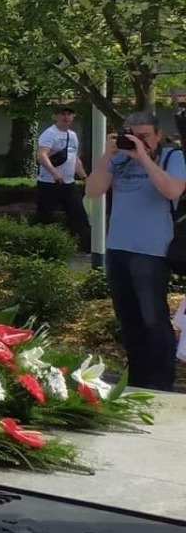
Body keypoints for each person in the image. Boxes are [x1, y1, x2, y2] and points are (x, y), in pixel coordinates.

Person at [84, 113, 185, 392]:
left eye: (145, 137)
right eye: (133, 136)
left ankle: (161, 381)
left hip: (151, 251)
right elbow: (93, 190)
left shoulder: (171, 156)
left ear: (157, 136)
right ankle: (139, 379)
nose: (138, 142)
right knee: (128, 319)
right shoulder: (119, 159)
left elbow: (172, 190)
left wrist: (143, 157)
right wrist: (107, 155)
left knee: (153, 318)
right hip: (117, 249)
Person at [36, 105, 91, 245]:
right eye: (63, 114)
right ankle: (39, 246)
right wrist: (54, 173)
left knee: (79, 215)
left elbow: (75, 159)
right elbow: (42, 155)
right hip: (49, 184)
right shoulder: (49, 134)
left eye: (69, 114)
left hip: (68, 183)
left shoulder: (72, 136)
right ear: (55, 117)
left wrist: (85, 177)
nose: (66, 117)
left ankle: (86, 247)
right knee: (45, 217)